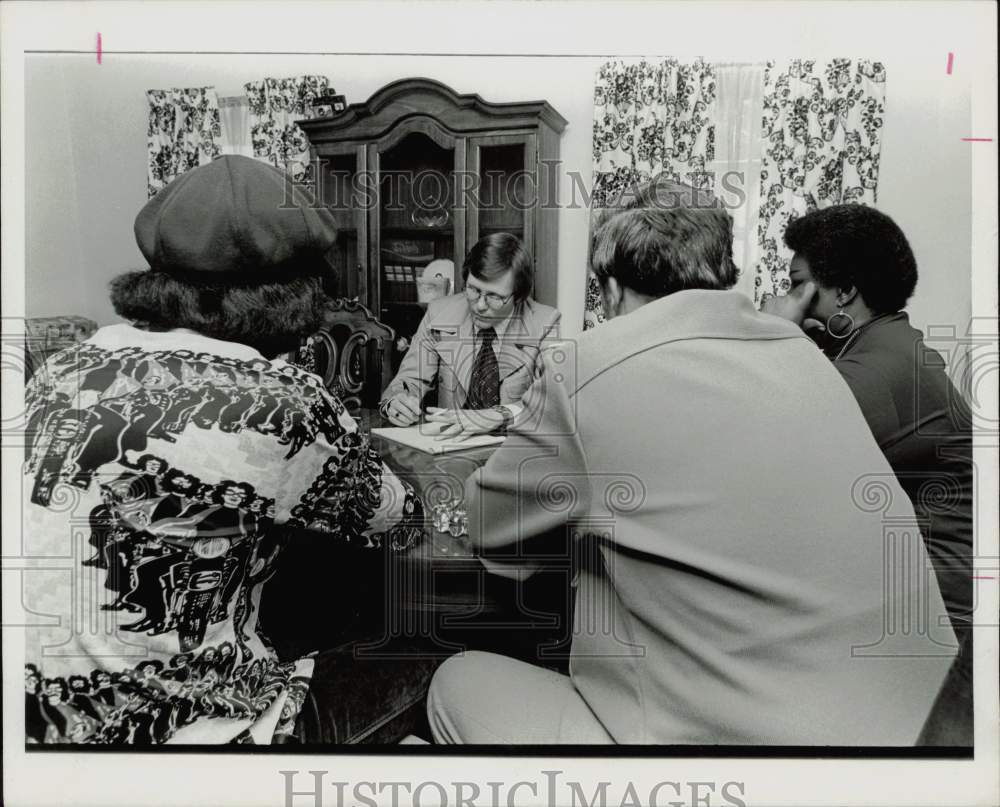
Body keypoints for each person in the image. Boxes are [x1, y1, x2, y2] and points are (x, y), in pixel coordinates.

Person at [426, 177, 957, 745]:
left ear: (608, 290)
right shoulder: (809, 356)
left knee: (456, 681)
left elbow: (486, 522)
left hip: (768, 763)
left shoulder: (585, 363)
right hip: (933, 724)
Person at [22, 155, 421, 745]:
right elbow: (395, 517)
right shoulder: (284, 402)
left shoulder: (64, 365)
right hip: (176, 738)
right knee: (422, 655)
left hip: (36, 723)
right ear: (301, 295)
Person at [762, 203, 974, 744]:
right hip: (916, 591)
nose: (791, 298)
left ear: (845, 291)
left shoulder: (878, 371)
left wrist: (771, 334)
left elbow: (766, 446)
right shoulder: (890, 344)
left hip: (943, 625)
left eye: (799, 284)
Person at [379, 232, 560, 436]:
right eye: (473, 290)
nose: (480, 305)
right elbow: (409, 380)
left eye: (494, 296)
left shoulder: (545, 323)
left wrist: (500, 415)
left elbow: (554, 403)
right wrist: (395, 403)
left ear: (518, 296)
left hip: (511, 452)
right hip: (447, 448)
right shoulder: (438, 313)